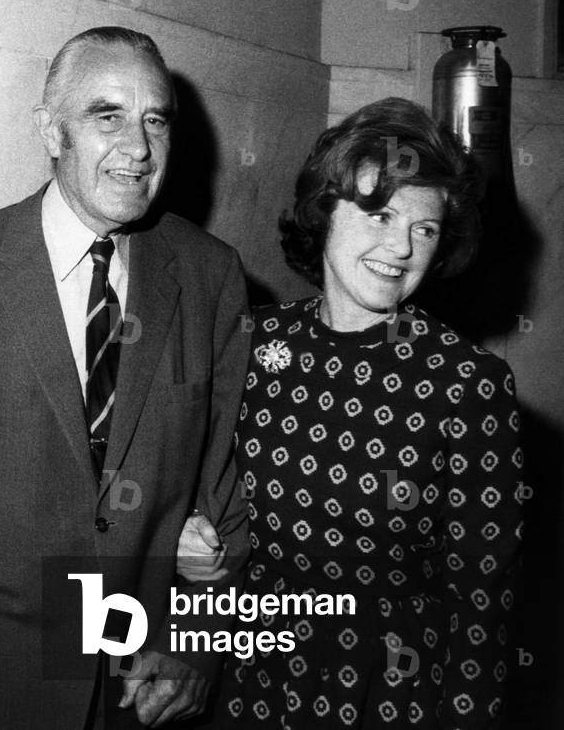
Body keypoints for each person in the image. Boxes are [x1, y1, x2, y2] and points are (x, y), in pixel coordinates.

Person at [0, 26, 251, 730]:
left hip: (141, 692)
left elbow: (225, 496)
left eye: (155, 119)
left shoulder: (210, 275)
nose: (138, 147)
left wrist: (196, 646)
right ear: (51, 130)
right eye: (108, 116)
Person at [178, 97, 524, 728]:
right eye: (380, 215)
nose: (402, 248)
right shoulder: (254, 341)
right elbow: (194, 485)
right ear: (324, 211)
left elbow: (482, 605)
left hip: (386, 688)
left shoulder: (467, 384)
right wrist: (191, 536)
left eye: (425, 229)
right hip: (248, 670)